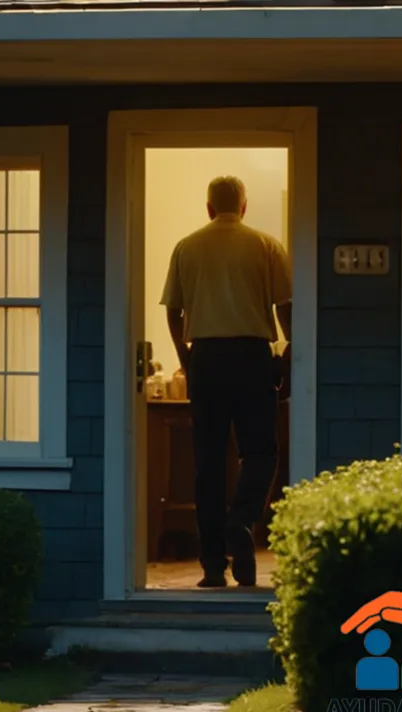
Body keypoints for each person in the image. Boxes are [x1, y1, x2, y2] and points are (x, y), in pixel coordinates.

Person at [160, 176, 292, 588]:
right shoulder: (265, 246)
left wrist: (186, 357)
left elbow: (174, 312)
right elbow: (287, 306)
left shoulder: (187, 246)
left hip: (207, 359)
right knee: (261, 451)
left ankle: (214, 565)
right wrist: (289, 355)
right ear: (245, 207)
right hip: (252, 357)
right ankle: (241, 520)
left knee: (209, 462)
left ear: (209, 208)